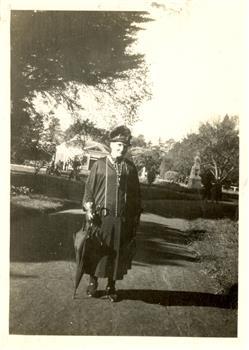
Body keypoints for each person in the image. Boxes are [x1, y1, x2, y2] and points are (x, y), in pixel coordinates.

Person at [82, 125, 141, 302]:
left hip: (122, 219)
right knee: (98, 251)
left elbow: (136, 196)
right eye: (118, 145)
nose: (121, 149)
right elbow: (89, 192)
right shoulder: (99, 165)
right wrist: (89, 208)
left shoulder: (130, 168)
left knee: (117, 253)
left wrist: (134, 219)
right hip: (101, 218)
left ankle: (111, 286)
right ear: (111, 144)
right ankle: (93, 282)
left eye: (124, 146)